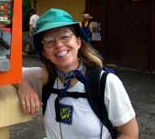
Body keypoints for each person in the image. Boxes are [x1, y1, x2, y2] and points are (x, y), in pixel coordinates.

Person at [18, 8, 139, 139]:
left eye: (65, 36)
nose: (58, 44)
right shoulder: (45, 78)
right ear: (44, 53)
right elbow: (4, 72)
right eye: (49, 41)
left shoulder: (105, 82)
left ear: (78, 42)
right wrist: (23, 85)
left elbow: (129, 134)